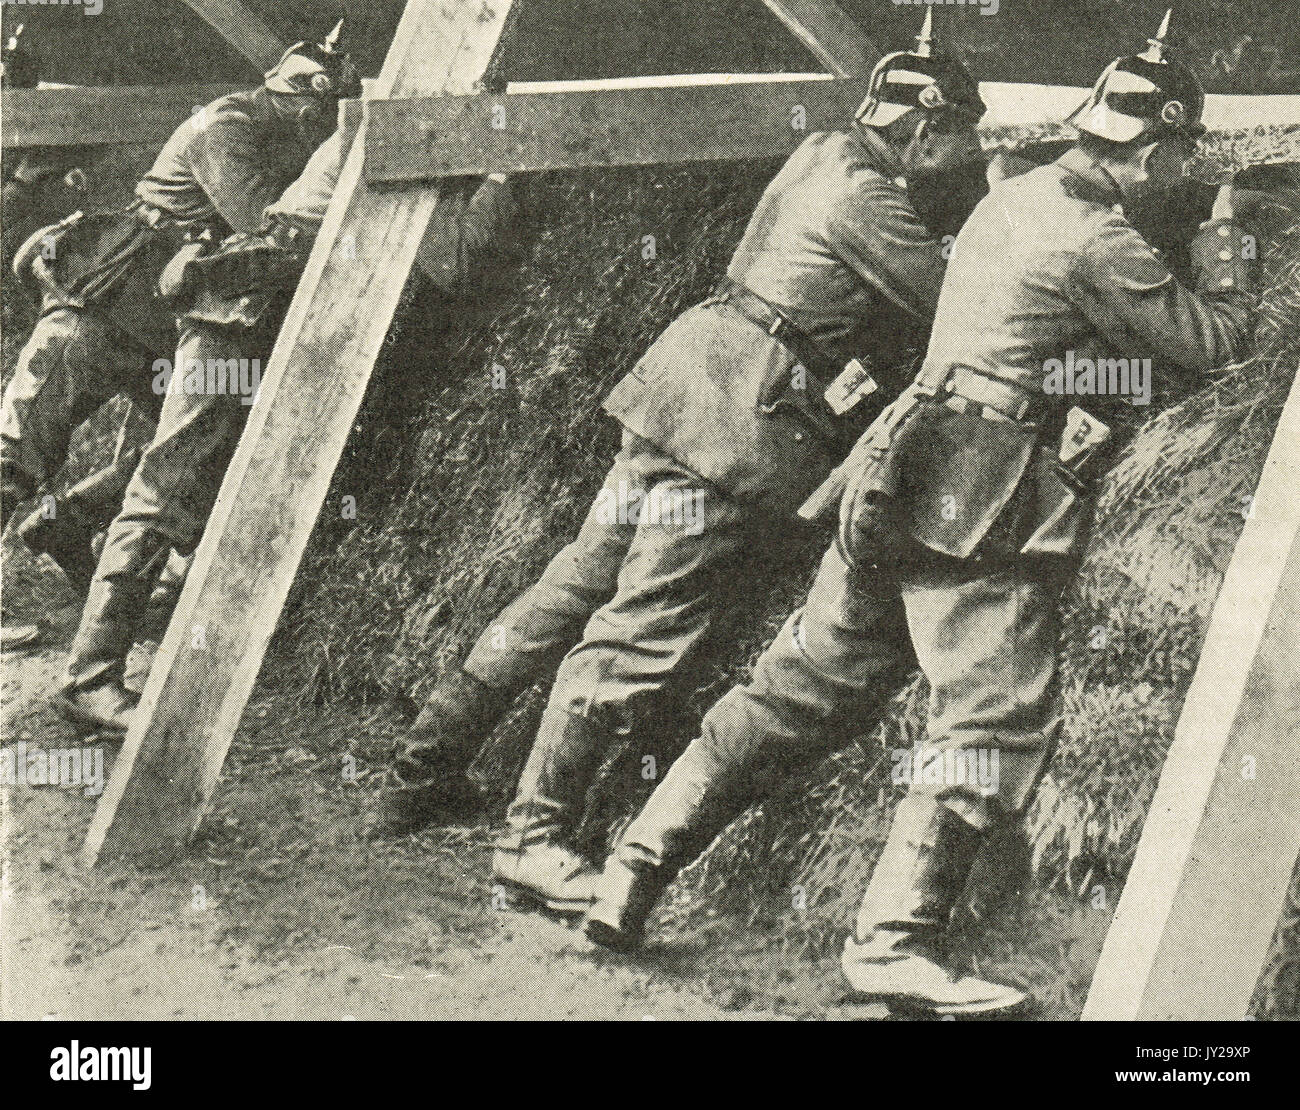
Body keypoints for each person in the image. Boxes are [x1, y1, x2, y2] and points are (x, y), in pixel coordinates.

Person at [583, 13, 1260, 1016]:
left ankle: (632, 867)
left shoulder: (1015, 198)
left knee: (800, 684)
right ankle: (893, 945)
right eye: (1177, 159)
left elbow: (1029, 346)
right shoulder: (1099, 239)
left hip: (894, 464)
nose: (1176, 174)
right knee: (993, 714)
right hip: (976, 490)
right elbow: (1215, 346)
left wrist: (1092, 382)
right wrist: (1228, 247)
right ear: (1155, 149)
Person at [373, 13, 993, 920]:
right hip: (732, 427)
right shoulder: (871, 200)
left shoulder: (824, 152)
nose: (969, 155)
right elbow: (954, 304)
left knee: (570, 587)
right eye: (962, 139)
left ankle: (418, 770)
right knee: (639, 631)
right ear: (924, 129)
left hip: (681, 388)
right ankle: (532, 841)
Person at [55, 31, 520, 735]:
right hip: (238, 316)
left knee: (196, 463)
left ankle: (73, 525)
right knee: (169, 485)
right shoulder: (392, 146)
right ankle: (89, 678)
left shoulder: (389, 134)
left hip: (261, 317)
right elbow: (452, 259)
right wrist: (504, 180)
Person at [2, 24, 347, 652]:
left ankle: (62, 526)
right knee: (19, 448)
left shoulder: (275, 128)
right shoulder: (228, 126)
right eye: (317, 112)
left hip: (167, 318)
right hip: (107, 303)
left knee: (167, 458)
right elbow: (261, 219)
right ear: (298, 98)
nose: (318, 128)